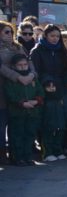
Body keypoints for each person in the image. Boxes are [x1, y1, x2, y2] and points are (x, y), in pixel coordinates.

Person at [1, 20, 36, 164]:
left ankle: (20, 155)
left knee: (18, 126)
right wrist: (18, 77)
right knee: (2, 126)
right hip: (2, 90)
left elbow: (29, 62)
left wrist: (32, 75)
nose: (10, 35)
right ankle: (2, 155)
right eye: (6, 32)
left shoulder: (18, 47)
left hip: (21, 91)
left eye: (11, 32)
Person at [3, 53, 42, 166]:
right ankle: (17, 157)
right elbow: (10, 95)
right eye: (19, 65)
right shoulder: (11, 81)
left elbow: (40, 91)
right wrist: (22, 103)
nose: (23, 67)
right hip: (17, 113)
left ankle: (28, 156)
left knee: (30, 134)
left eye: (25, 64)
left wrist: (36, 101)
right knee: (17, 136)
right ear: (14, 67)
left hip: (32, 112)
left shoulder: (33, 79)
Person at [30, 24, 67, 89]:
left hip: (62, 86)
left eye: (58, 36)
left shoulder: (62, 50)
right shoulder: (37, 51)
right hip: (44, 87)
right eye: (52, 36)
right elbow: (36, 71)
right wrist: (47, 81)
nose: (55, 38)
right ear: (45, 35)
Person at [40, 77, 67, 161]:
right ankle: (47, 153)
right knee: (47, 138)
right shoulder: (44, 99)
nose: (51, 88)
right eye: (48, 87)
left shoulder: (59, 97)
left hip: (59, 121)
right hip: (47, 122)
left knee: (59, 137)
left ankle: (58, 152)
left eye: (53, 86)